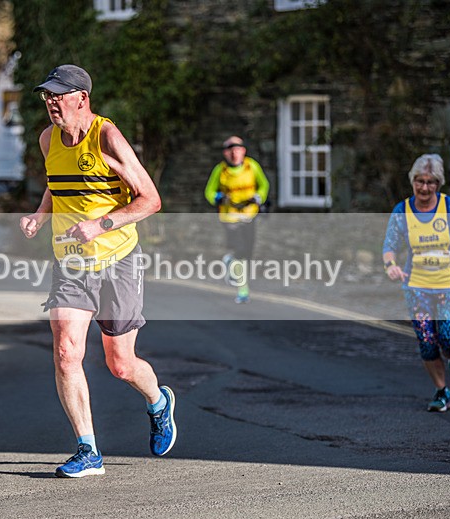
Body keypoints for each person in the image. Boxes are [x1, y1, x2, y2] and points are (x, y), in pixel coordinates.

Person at [19, 64, 176, 478]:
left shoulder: (107, 136)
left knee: (120, 364)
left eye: (58, 94)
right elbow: (60, 180)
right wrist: (40, 214)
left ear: (81, 98)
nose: (51, 102)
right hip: (70, 262)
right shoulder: (47, 138)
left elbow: (150, 200)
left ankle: (158, 402)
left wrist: (100, 224)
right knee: (67, 352)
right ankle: (87, 450)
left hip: (117, 260)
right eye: (46, 95)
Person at [382, 153, 450, 412]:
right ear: (412, 181)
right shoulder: (402, 211)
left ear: (438, 183)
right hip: (417, 288)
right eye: (419, 181)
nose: (424, 188)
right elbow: (389, 247)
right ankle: (441, 392)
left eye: (430, 182)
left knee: (449, 340)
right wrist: (391, 266)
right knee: (427, 343)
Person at [204, 136, 269, 303]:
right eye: (230, 150)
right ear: (226, 153)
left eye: (237, 149)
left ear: (243, 151)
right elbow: (209, 191)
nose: (234, 153)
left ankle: (231, 263)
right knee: (239, 251)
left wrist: (259, 197)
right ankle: (243, 290)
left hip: (249, 215)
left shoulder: (252, 166)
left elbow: (264, 185)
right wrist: (218, 197)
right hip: (230, 217)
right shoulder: (221, 170)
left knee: (247, 252)